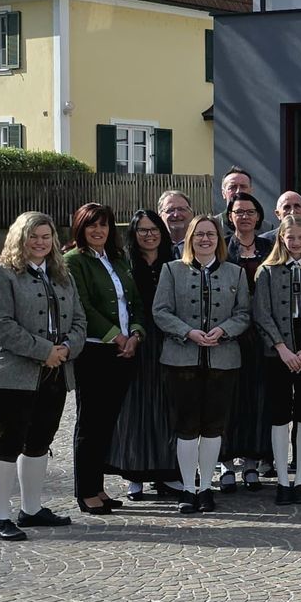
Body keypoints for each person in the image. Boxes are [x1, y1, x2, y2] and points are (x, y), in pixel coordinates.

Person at [0, 212, 86, 541]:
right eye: (33, 236)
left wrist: (67, 348)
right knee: (7, 443)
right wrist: (44, 351)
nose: (40, 242)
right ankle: (0, 517)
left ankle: (31, 509)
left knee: (40, 441)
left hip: (56, 372)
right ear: (19, 237)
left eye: (46, 236)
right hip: (11, 373)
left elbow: (79, 320)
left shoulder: (61, 274)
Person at [153, 215, 252, 513]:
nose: (205, 239)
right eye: (199, 234)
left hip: (223, 360)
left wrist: (224, 330)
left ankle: (206, 487)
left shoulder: (236, 273)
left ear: (219, 240)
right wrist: (188, 332)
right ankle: (188, 488)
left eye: (210, 234)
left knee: (213, 427)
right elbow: (161, 311)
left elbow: (244, 314)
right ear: (190, 239)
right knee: (186, 427)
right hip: (181, 360)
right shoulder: (171, 270)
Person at [64, 203, 143, 516]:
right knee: (90, 423)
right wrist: (116, 336)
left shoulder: (118, 259)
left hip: (123, 351)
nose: (98, 231)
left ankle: (98, 487)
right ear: (80, 228)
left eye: (104, 225)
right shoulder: (74, 260)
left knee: (107, 423)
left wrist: (135, 334)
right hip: (95, 351)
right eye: (91, 225)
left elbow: (134, 301)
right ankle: (85, 490)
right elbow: (82, 306)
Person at [253, 216, 301, 505]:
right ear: (281, 239)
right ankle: (283, 481)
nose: (296, 242)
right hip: (278, 355)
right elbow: (261, 313)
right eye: (291, 237)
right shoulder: (267, 271)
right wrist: (282, 349)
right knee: (279, 415)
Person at [109, 210, 182, 500]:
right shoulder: (123, 264)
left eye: (154, 229)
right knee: (135, 407)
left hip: (169, 338)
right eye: (142, 230)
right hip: (135, 339)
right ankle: (134, 474)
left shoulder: (176, 260)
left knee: (167, 405)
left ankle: (168, 472)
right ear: (133, 234)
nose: (149, 235)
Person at [220, 191, 274, 492]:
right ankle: (227, 464)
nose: (244, 217)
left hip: (262, 337)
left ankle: (252, 463)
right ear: (230, 217)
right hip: (229, 335)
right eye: (238, 212)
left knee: (258, 400)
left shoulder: (270, 247)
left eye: (249, 211)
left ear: (258, 216)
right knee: (229, 400)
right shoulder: (222, 248)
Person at [215, 167, 253, 231]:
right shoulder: (212, 225)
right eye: (232, 187)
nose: (238, 191)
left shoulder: (265, 228)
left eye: (243, 187)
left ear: (250, 192)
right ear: (223, 193)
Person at [157, 190, 193, 258]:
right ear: (160, 215)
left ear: (191, 213)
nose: (176, 215)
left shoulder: (202, 244)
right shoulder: (152, 246)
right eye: (170, 210)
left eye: (181, 209)